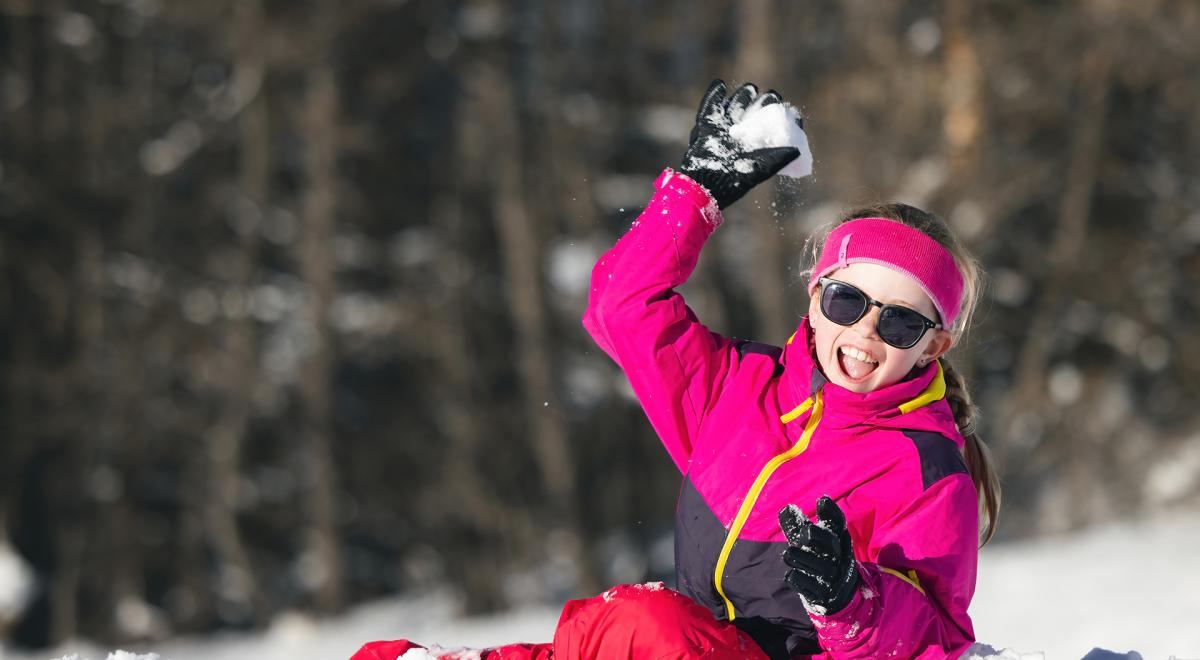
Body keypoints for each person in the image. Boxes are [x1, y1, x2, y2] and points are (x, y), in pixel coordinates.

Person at [351, 79, 1000, 660]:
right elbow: (622, 308)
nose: (864, 332)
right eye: (847, 301)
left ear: (933, 346)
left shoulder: (928, 472)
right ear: (814, 294)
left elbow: (940, 639)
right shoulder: (742, 387)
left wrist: (853, 601)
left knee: (644, 625)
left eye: (900, 322)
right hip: (686, 645)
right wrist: (696, 194)